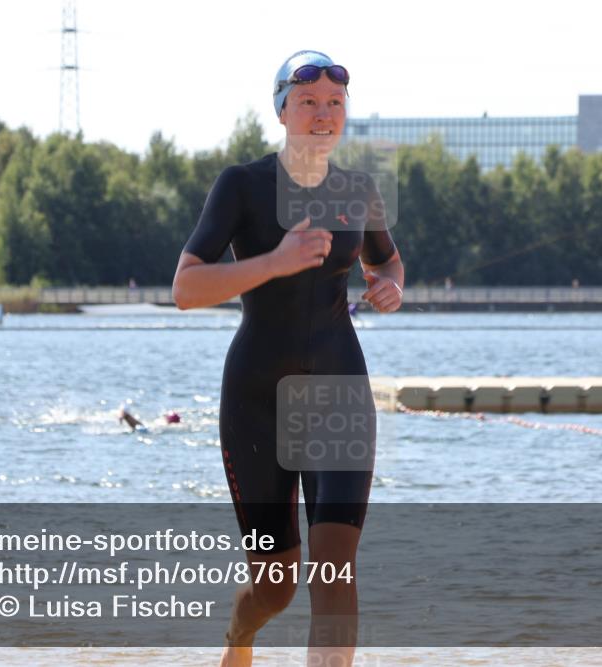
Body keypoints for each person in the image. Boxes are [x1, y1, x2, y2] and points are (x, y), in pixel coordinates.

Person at [172, 50, 403, 667]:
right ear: (281, 110)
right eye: (308, 102)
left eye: (335, 103)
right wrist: (275, 260)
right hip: (257, 400)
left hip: (339, 392)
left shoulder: (359, 190)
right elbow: (186, 289)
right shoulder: (241, 186)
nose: (323, 115)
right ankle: (238, 639)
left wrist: (390, 286)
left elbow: (387, 259)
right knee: (276, 583)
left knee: (334, 569)